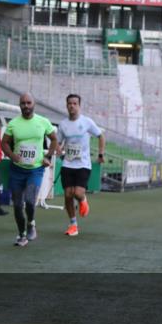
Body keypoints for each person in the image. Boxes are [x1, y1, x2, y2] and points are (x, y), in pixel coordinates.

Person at [1, 93, 58, 247]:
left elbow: (54, 139)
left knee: (30, 201)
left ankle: (31, 223)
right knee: (18, 205)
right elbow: (4, 143)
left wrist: (49, 157)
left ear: (34, 104)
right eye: (23, 103)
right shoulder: (13, 123)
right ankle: (21, 235)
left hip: (35, 169)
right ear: (19, 105)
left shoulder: (43, 122)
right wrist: (12, 155)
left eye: (28, 103)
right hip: (17, 169)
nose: (26, 106)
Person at [56, 94, 105, 236]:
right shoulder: (63, 124)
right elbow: (58, 142)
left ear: (79, 106)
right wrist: (57, 149)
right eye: (69, 103)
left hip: (83, 164)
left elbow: (101, 136)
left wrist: (101, 154)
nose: (72, 106)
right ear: (67, 106)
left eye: (75, 103)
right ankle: (73, 225)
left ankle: (83, 200)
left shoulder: (87, 122)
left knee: (77, 193)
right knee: (67, 195)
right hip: (68, 163)